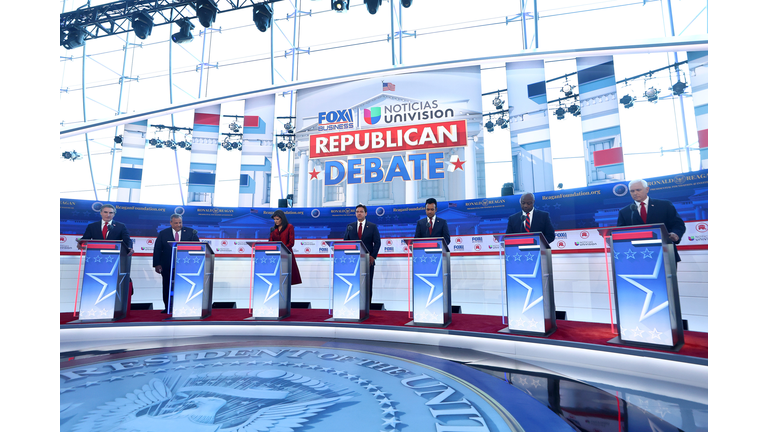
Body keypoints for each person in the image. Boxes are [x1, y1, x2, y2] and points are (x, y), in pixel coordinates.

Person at [79, 203, 134, 311]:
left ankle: (115, 308)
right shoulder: (92, 226)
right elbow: (85, 239)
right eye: (105, 212)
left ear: (114, 214)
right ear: (100, 213)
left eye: (111, 213)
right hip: (97, 261)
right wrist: (80, 243)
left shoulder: (120, 226)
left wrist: (130, 248)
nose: (108, 215)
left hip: (114, 261)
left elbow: (127, 241)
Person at [617, 179, 686, 264]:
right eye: (632, 191)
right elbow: (620, 232)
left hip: (665, 252)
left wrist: (676, 234)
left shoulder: (664, 205)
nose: (635, 193)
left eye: (638, 190)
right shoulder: (625, 212)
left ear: (647, 189)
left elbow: (678, 224)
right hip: (637, 255)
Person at [153, 213, 200, 313]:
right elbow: (157, 249)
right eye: (176, 223)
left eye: (180, 223)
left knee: (184, 286)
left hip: (186, 265)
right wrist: (157, 264)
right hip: (167, 264)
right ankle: (168, 307)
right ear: (171, 223)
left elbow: (197, 247)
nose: (179, 225)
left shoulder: (191, 232)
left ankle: (185, 306)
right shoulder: (163, 233)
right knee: (167, 286)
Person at [343, 204, 381, 308]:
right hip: (353, 260)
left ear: (366, 213)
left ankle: (367, 307)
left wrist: (372, 256)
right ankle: (354, 305)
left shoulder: (372, 226)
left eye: (361, 211)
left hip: (368, 261)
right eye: (357, 211)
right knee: (354, 284)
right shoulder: (350, 226)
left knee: (367, 285)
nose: (359, 213)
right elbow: (346, 242)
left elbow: (377, 243)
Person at [269, 210, 302, 286]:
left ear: (282, 218)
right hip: (276, 255)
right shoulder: (273, 229)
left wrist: (282, 249)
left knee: (287, 279)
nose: (275, 221)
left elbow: (291, 243)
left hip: (286, 254)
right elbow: (271, 242)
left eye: (277, 219)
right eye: (274, 219)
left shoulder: (289, 227)